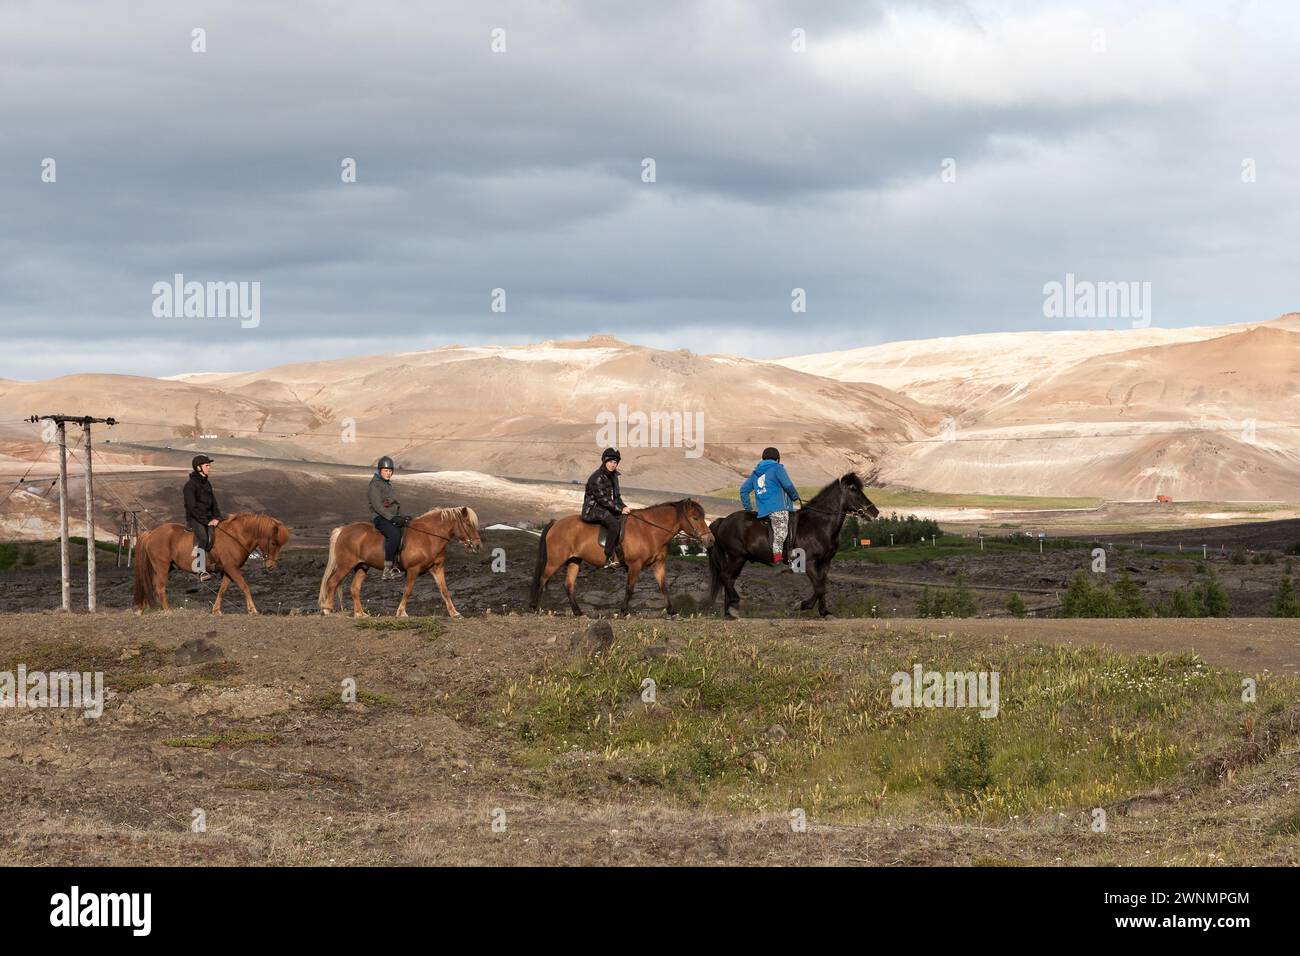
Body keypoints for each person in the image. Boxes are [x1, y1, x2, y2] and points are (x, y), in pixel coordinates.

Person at [739, 446, 801, 563]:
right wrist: (794, 496)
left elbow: (743, 490)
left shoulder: (755, 473)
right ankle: (778, 561)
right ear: (777, 459)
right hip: (778, 508)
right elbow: (787, 485)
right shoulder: (777, 468)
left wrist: (749, 509)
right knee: (781, 533)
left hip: (763, 510)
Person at [581, 447, 629, 569]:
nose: (613, 465)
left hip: (605, 508)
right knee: (614, 524)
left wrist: (623, 506)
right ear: (604, 461)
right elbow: (602, 499)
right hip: (593, 509)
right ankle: (608, 557)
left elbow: (617, 497)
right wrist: (619, 510)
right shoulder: (596, 477)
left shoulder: (614, 477)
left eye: (615, 462)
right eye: (611, 461)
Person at [368, 456, 409, 580]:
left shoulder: (388, 485)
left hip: (390, 517)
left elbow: (393, 505)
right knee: (394, 534)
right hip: (380, 518)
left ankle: (400, 563)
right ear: (380, 471)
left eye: (390, 471)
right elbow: (378, 506)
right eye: (386, 470)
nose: (388, 473)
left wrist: (401, 517)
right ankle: (387, 570)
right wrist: (392, 518)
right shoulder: (375, 485)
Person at [183, 454, 224, 581]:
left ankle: (215, 563)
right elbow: (192, 508)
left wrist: (217, 517)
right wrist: (207, 521)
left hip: (209, 518)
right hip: (195, 519)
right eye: (207, 465)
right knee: (203, 537)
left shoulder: (207, 483)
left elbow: (213, 502)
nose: (209, 468)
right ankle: (200, 570)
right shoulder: (189, 486)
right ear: (198, 468)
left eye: (209, 465)